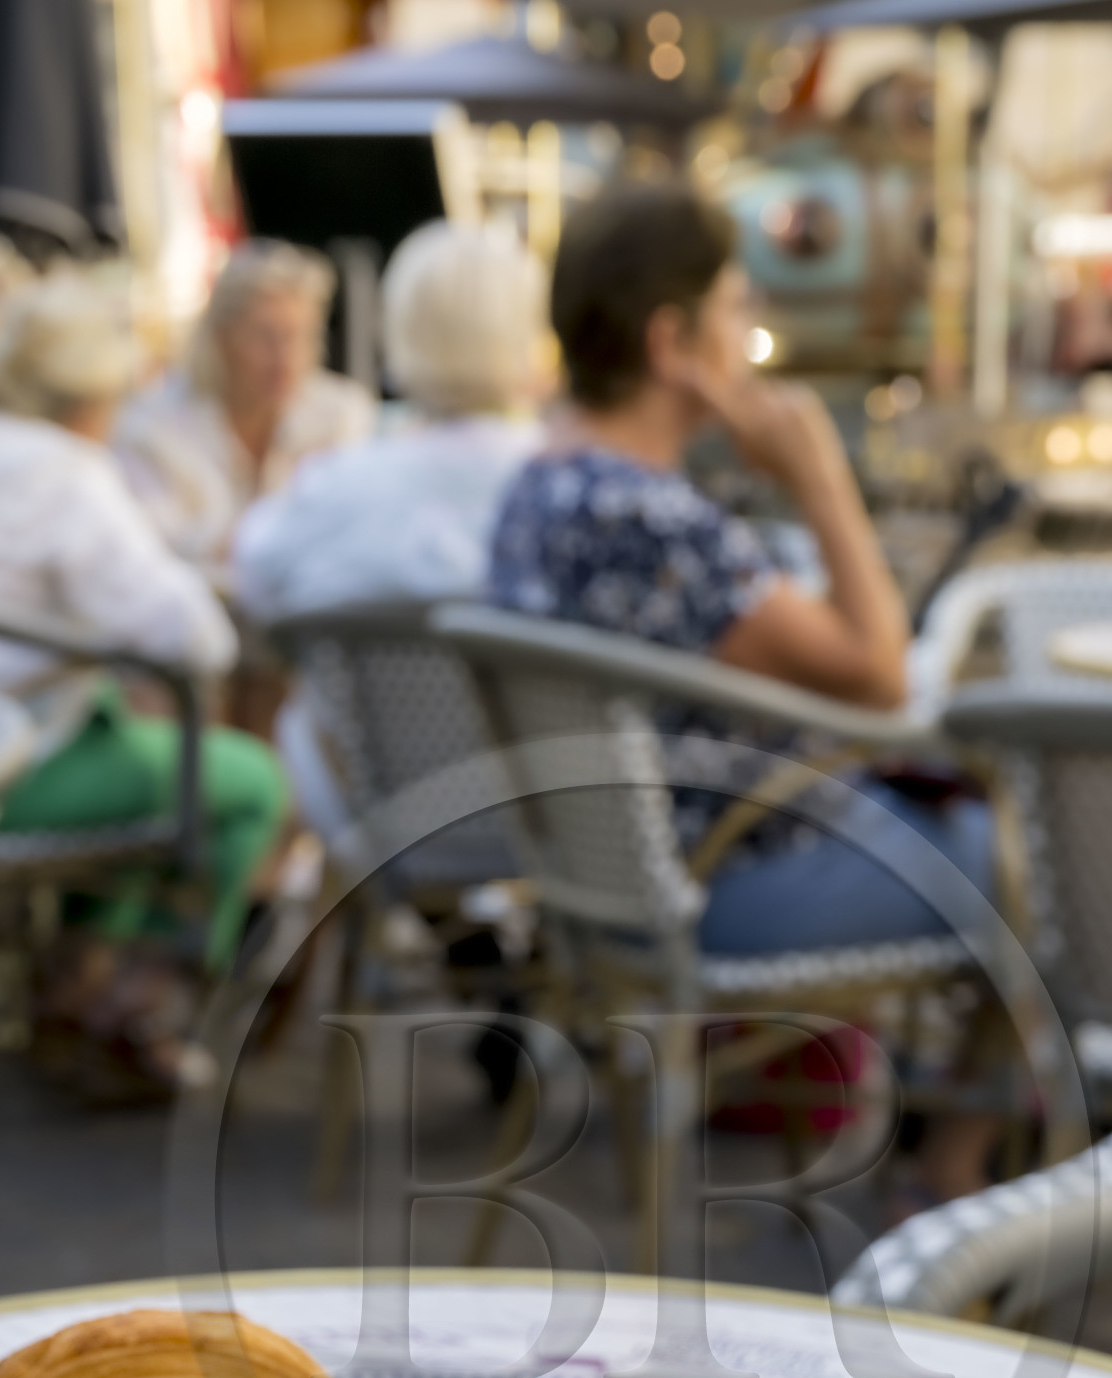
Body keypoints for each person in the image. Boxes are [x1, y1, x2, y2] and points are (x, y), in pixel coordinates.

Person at [487, 180, 994, 961]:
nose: (748, 329)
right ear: (671, 344)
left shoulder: (537, 489)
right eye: (732, 306)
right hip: (723, 884)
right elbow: (880, 676)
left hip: (603, 884)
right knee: (1024, 854)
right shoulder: (650, 520)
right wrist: (819, 479)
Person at [0, 274, 290, 988]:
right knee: (250, 784)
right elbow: (200, 639)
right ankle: (141, 986)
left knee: (126, 723)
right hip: (0, 773)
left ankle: (86, 975)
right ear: (90, 398)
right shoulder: (65, 472)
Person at [235, 219, 547, 621]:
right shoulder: (570, 491)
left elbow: (254, 580)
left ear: (398, 329)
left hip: (355, 684)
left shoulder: (338, 484)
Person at [115, 240, 373, 579]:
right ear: (221, 338)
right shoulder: (149, 425)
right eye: (265, 337)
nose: (285, 358)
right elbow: (153, 545)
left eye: (299, 336)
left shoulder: (341, 412)